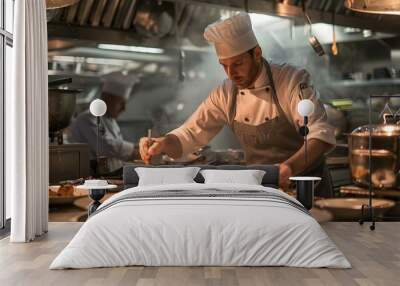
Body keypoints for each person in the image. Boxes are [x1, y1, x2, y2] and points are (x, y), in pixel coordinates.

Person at [139, 12, 336, 197]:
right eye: (224, 65)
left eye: (238, 64)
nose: (231, 73)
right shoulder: (225, 93)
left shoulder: (291, 80)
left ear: (257, 53)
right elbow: (189, 135)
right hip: (262, 191)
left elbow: (320, 135)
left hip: (308, 190)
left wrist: (288, 168)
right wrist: (163, 144)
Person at [68, 71, 139, 175]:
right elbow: (106, 147)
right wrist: (135, 150)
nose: (124, 108)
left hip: (111, 175)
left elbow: (116, 147)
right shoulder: (87, 119)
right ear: (107, 98)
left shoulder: (110, 120)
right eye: (121, 103)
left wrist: (137, 146)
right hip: (91, 178)